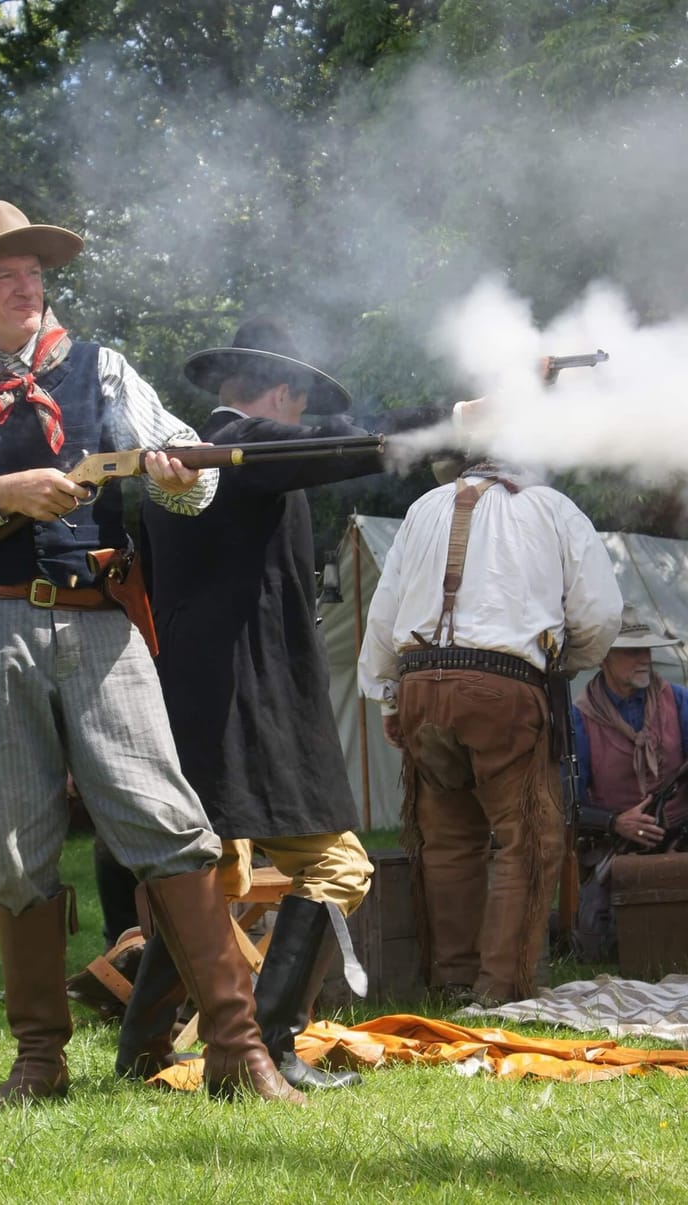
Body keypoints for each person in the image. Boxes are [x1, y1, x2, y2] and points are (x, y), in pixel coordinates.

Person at [0, 199, 304, 1108]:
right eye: (6, 270)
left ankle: (238, 1050)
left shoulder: (104, 369)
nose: (28, 282)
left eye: (36, 267)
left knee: (167, 817)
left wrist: (178, 478)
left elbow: (183, 492)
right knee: (12, 846)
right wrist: (2, 494)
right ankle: (40, 1059)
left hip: (103, 623)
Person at [114, 316, 398, 1091]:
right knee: (340, 866)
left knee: (210, 879)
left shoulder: (194, 460)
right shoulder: (239, 452)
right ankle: (270, 1041)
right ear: (282, 395)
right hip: (251, 705)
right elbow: (331, 446)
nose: (303, 426)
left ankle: (143, 1045)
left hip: (198, 705)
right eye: (300, 411)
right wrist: (427, 425)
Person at [357, 454, 623, 1006]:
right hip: (502, 691)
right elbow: (598, 614)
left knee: (449, 840)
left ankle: (452, 982)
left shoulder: (423, 506)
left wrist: (387, 698)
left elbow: (385, 617)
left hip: (418, 687)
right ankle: (499, 991)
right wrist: (565, 664)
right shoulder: (552, 507)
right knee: (530, 838)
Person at [573, 603, 688, 962]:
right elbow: (568, 803)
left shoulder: (678, 699)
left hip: (681, 834)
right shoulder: (579, 718)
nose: (643, 659)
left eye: (646, 650)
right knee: (595, 944)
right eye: (630, 651)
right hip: (613, 845)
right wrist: (617, 822)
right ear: (603, 657)